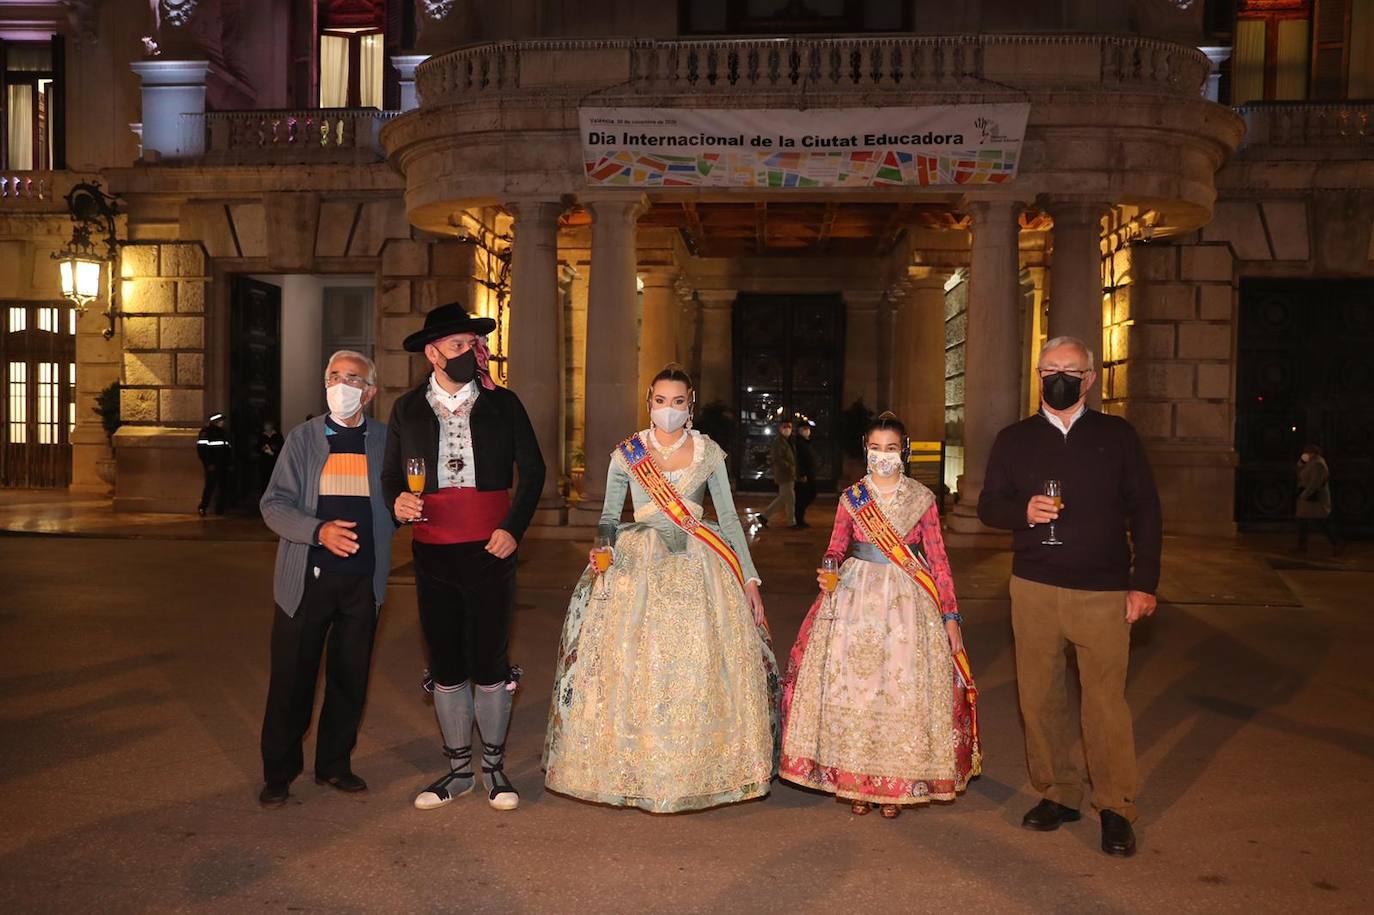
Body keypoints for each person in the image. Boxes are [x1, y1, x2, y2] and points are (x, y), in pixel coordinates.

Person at [543, 364, 780, 813]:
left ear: (690, 405)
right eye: (659, 401)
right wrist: (602, 550)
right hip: (639, 565)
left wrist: (749, 578)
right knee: (636, 664)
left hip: (701, 563)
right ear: (648, 402)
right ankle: (634, 769)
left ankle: (700, 767)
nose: (667, 410)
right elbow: (610, 519)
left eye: (677, 402)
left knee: (699, 662)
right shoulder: (627, 454)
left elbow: (728, 520)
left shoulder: (708, 452)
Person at [977, 335, 1162, 858]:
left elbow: (1146, 509)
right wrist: (1022, 514)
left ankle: (1116, 807)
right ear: (1037, 376)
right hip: (1034, 586)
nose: (1059, 378)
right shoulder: (1013, 439)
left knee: (1104, 705)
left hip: (1103, 591)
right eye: (1049, 370)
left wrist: (1144, 581)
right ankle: (1059, 793)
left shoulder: (1117, 436)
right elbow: (991, 505)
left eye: (1070, 371)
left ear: (1090, 379)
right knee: (1039, 699)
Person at [383, 303, 546, 813]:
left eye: (474, 346)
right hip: (431, 551)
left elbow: (534, 471)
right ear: (432, 354)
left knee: (489, 657)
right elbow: (389, 476)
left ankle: (495, 769)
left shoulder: (504, 404)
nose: (471, 354)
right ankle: (457, 772)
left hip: (490, 547)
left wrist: (512, 529)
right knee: (447, 660)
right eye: (458, 346)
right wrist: (397, 501)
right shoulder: (406, 408)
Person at [780, 413, 979, 818]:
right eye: (876, 448)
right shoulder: (852, 498)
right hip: (855, 598)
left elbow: (938, 561)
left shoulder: (921, 498)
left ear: (902, 450)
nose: (883, 456)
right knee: (857, 689)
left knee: (899, 690)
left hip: (908, 602)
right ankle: (857, 781)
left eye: (891, 448)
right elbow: (837, 546)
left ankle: (897, 784)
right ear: (865, 449)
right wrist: (829, 566)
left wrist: (950, 616)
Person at [257, 351, 396, 807]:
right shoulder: (303, 439)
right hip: (306, 582)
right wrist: (318, 531)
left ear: (370, 392)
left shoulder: (384, 440)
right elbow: (274, 505)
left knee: (349, 679)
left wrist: (406, 511)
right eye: (334, 376)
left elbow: (393, 504)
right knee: (292, 680)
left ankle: (334, 765)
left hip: (362, 582)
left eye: (353, 378)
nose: (342, 385)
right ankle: (279, 772)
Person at [1295, 444, 1342, 554]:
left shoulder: (1318, 464)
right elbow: (1299, 470)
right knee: (1303, 521)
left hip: (1315, 498)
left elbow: (1315, 483)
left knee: (1321, 522)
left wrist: (1304, 495)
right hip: (1308, 498)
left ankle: (1336, 543)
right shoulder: (1310, 462)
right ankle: (1302, 546)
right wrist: (1302, 461)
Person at [759, 418, 797, 528]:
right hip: (784, 474)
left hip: (789, 474)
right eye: (785, 427)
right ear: (780, 428)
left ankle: (765, 516)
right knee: (789, 498)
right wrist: (789, 467)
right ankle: (791, 522)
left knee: (785, 498)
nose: (787, 429)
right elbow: (778, 458)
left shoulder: (787, 441)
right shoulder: (778, 442)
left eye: (789, 427)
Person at [196, 412, 232, 516]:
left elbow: (227, 450)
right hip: (213, 466)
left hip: (223, 465)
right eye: (221, 421)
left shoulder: (223, 432)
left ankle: (220, 509)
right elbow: (202, 450)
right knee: (210, 487)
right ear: (216, 421)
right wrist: (209, 464)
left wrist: (229, 463)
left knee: (223, 487)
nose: (223, 422)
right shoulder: (206, 432)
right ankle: (203, 507)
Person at [793, 421, 818, 529]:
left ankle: (800, 518)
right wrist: (802, 474)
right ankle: (799, 519)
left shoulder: (807, 442)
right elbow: (799, 460)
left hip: (810, 472)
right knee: (803, 497)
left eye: (808, 428)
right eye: (804, 428)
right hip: (804, 475)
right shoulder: (799, 443)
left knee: (810, 494)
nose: (807, 431)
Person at [257, 420, 284, 493]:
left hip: (274, 461)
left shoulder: (278, 435)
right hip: (264, 462)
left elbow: (281, 447)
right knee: (265, 481)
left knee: (274, 480)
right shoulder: (262, 435)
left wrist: (273, 449)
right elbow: (257, 447)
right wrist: (262, 448)